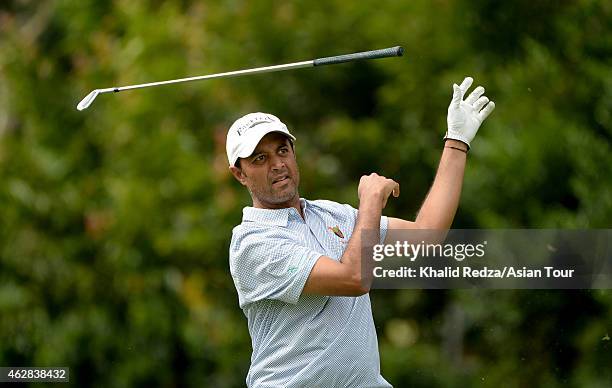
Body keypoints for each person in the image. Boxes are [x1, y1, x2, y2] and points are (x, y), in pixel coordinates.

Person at [227, 76, 495, 387]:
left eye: (282, 150)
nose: (277, 164)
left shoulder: (332, 214)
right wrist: (370, 203)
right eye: (260, 158)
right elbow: (353, 279)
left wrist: (456, 142)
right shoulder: (253, 244)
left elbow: (427, 235)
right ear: (239, 174)